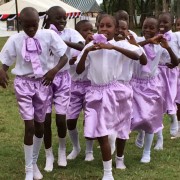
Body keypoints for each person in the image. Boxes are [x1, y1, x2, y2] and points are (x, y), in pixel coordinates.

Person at [0, 7, 67, 180]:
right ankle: (29, 170)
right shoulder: (15, 39)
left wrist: (54, 70)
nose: (31, 30)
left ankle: (34, 162)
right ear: (19, 23)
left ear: (39, 23)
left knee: (40, 127)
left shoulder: (48, 35)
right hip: (24, 84)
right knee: (29, 126)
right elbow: (5, 61)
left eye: (34, 26)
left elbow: (64, 56)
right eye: (27, 26)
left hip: (43, 84)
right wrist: (2, 71)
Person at [76, 15, 143, 180]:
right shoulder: (91, 46)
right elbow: (78, 70)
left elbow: (138, 56)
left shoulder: (120, 44)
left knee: (121, 128)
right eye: (101, 26)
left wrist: (112, 47)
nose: (104, 29)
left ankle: (120, 158)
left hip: (116, 91)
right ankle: (107, 173)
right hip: (95, 92)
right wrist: (87, 51)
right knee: (101, 131)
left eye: (109, 26)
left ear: (116, 29)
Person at [42, 6, 85, 171]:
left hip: (63, 79)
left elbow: (82, 46)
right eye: (57, 18)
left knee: (61, 119)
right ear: (48, 19)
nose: (62, 21)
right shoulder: (42, 34)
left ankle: (61, 150)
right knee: (44, 120)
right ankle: (48, 154)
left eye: (64, 18)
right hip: (45, 80)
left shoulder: (69, 33)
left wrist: (61, 41)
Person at [131, 17, 178, 164]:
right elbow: (132, 47)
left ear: (158, 30)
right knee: (132, 116)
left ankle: (147, 152)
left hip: (152, 85)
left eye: (152, 28)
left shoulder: (160, 47)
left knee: (149, 118)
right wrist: (148, 41)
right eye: (145, 27)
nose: (148, 30)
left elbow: (175, 63)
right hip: (134, 84)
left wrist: (167, 47)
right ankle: (140, 132)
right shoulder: (137, 40)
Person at [66, 20, 95, 161]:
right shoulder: (72, 48)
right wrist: (71, 61)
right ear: (77, 33)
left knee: (89, 119)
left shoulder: (94, 47)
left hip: (90, 86)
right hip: (74, 86)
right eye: (85, 30)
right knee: (70, 120)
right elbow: (66, 64)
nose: (90, 32)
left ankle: (89, 150)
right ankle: (76, 147)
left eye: (92, 29)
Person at [154, 12, 179, 146]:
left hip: (171, 71)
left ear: (172, 23)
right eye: (160, 22)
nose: (162, 25)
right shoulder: (154, 36)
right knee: (158, 103)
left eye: (166, 22)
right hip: (158, 72)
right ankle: (159, 138)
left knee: (170, 97)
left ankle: (173, 117)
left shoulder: (175, 36)